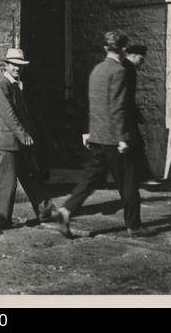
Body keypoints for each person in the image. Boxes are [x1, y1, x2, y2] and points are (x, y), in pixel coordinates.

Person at [54, 31, 153, 238]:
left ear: (105, 48)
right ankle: (134, 225)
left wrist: (90, 132)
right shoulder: (119, 72)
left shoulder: (97, 70)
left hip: (97, 136)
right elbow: (117, 108)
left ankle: (66, 209)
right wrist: (122, 138)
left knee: (90, 178)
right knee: (129, 181)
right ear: (124, 50)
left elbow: (95, 106)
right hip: (113, 139)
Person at [0, 48, 56, 230]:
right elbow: (8, 114)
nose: (17, 68)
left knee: (31, 177)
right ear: (6, 64)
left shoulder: (15, 84)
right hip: (8, 142)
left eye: (20, 65)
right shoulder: (2, 84)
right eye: (14, 65)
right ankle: (0, 220)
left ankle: (46, 212)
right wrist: (23, 134)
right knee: (6, 182)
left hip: (19, 141)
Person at [122, 44, 162, 187]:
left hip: (124, 113)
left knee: (133, 145)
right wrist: (134, 114)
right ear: (132, 55)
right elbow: (127, 96)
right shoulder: (128, 69)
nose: (142, 61)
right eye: (141, 58)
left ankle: (140, 176)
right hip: (125, 115)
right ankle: (144, 176)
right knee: (136, 145)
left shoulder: (124, 67)